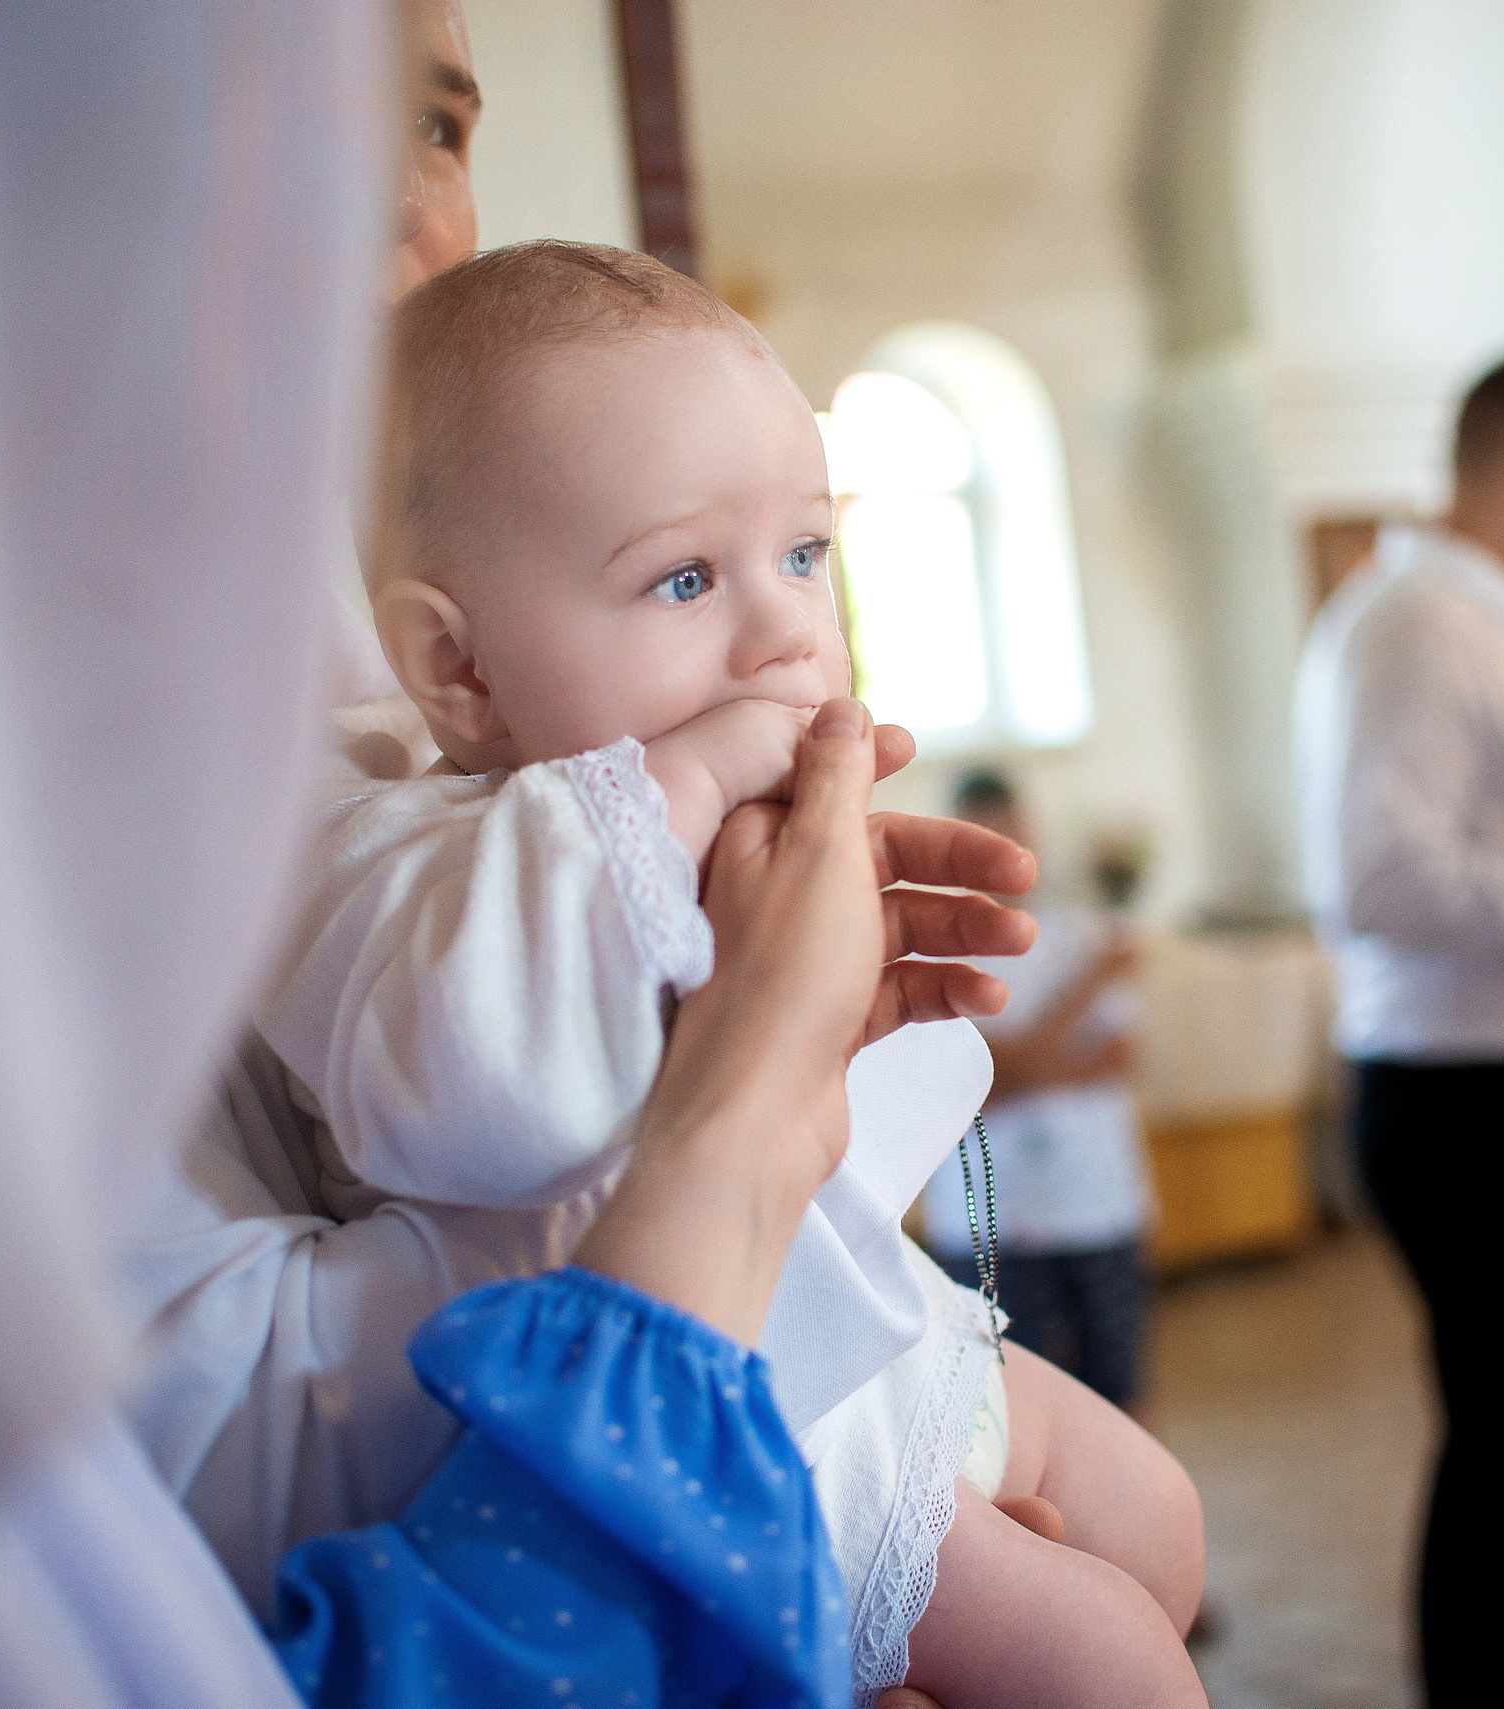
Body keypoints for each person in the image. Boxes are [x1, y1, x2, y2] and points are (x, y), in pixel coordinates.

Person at [0, 6, 1030, 1706]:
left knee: (1139, 1539)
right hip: (547, 1538)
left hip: (703, 1440)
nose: (371, 202)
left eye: (432, 129)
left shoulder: (422, 624)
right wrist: (726, 1113)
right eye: (238, 118)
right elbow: (233, 1436)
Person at [275, 239, 1205, 1709]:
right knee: (1118, 1671)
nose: (782, 632)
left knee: (1161, 1521)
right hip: (730, 1438)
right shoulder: (397, 858)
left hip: (878, 1351)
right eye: (685, 577)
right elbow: (466, 1083)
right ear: (459, 672)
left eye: (807, 555)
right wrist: (688, 786)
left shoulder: (704, 808)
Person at [1289, 353, 1504, 1705]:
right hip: (1464, 1096)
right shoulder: (1425, 619)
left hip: (1487, 1083)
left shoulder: (1451, 613)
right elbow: (1380, 881)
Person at [920, 770, 1156, 1417]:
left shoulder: (1080, 930)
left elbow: (1116, 1055)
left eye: (1013, 831)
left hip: (1097, 1200)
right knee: (1003, 1405)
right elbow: (967, 1086)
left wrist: (1016, 1065)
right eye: (983, 835)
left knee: (1119, 1386)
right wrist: (1087, 989)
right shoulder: (934, 953)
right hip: (988, 1216)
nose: (1003, 850)